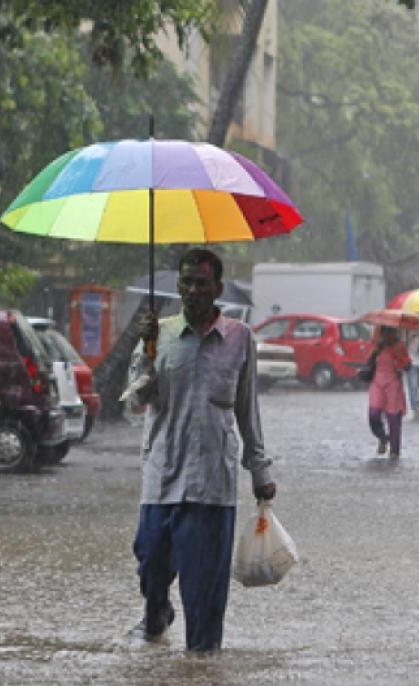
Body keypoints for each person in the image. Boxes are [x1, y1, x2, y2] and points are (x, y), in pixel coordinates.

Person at [123, 248, 276, 652]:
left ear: (218, 289)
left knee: (205, 597)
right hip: (162, 475)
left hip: (212, 484)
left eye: (201, 283)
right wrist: (146, 356)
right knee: (151, 562)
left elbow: (247, 409)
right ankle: (157, 612)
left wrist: (260, 471)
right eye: (186, 282)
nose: (193, 290)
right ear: (177, 287)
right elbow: (135, 402)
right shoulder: (158, 334)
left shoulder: (240, 339)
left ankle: (201, 665)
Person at [367, 326, 411, 459]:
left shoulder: (400, 346)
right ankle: (383, 437)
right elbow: (368, 363)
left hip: (393, 384)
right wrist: (375, 351)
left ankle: (394, 450)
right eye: (385, 332)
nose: (388, 335)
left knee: (393, 418)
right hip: (377, 383)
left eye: (391, 332)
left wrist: (399, 361)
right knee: (373, 414)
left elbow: (408, 366)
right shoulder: (377, 346)